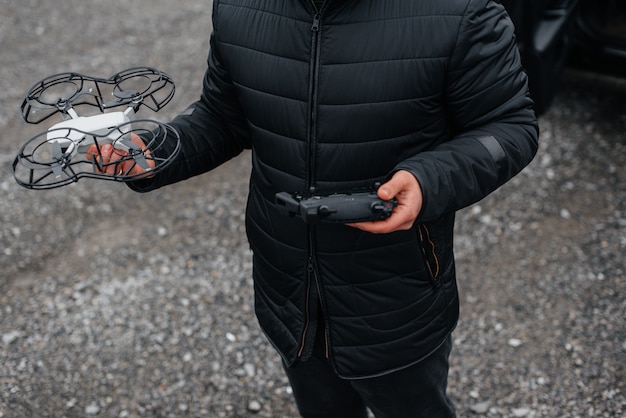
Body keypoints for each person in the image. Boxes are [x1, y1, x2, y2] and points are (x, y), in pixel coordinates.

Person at [89, 0, 539, 416]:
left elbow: (510, 127)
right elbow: (223, 116)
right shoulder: (240, 6)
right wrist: (155, 152)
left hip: (397, 296)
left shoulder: (461, 11)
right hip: (288, 294)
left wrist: (429, 179)